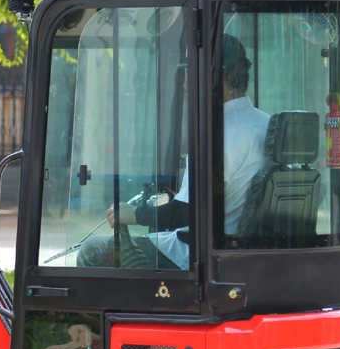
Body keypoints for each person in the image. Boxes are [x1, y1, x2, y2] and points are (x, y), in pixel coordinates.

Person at [76, 33, 270, 269]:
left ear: (216, 77)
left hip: (197, 257)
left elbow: (188, 212)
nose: (186, 83)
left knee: (92, 251)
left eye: (191, 71)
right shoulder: (266, 124)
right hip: (241, 252)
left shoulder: (217, 135)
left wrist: (135, 214)